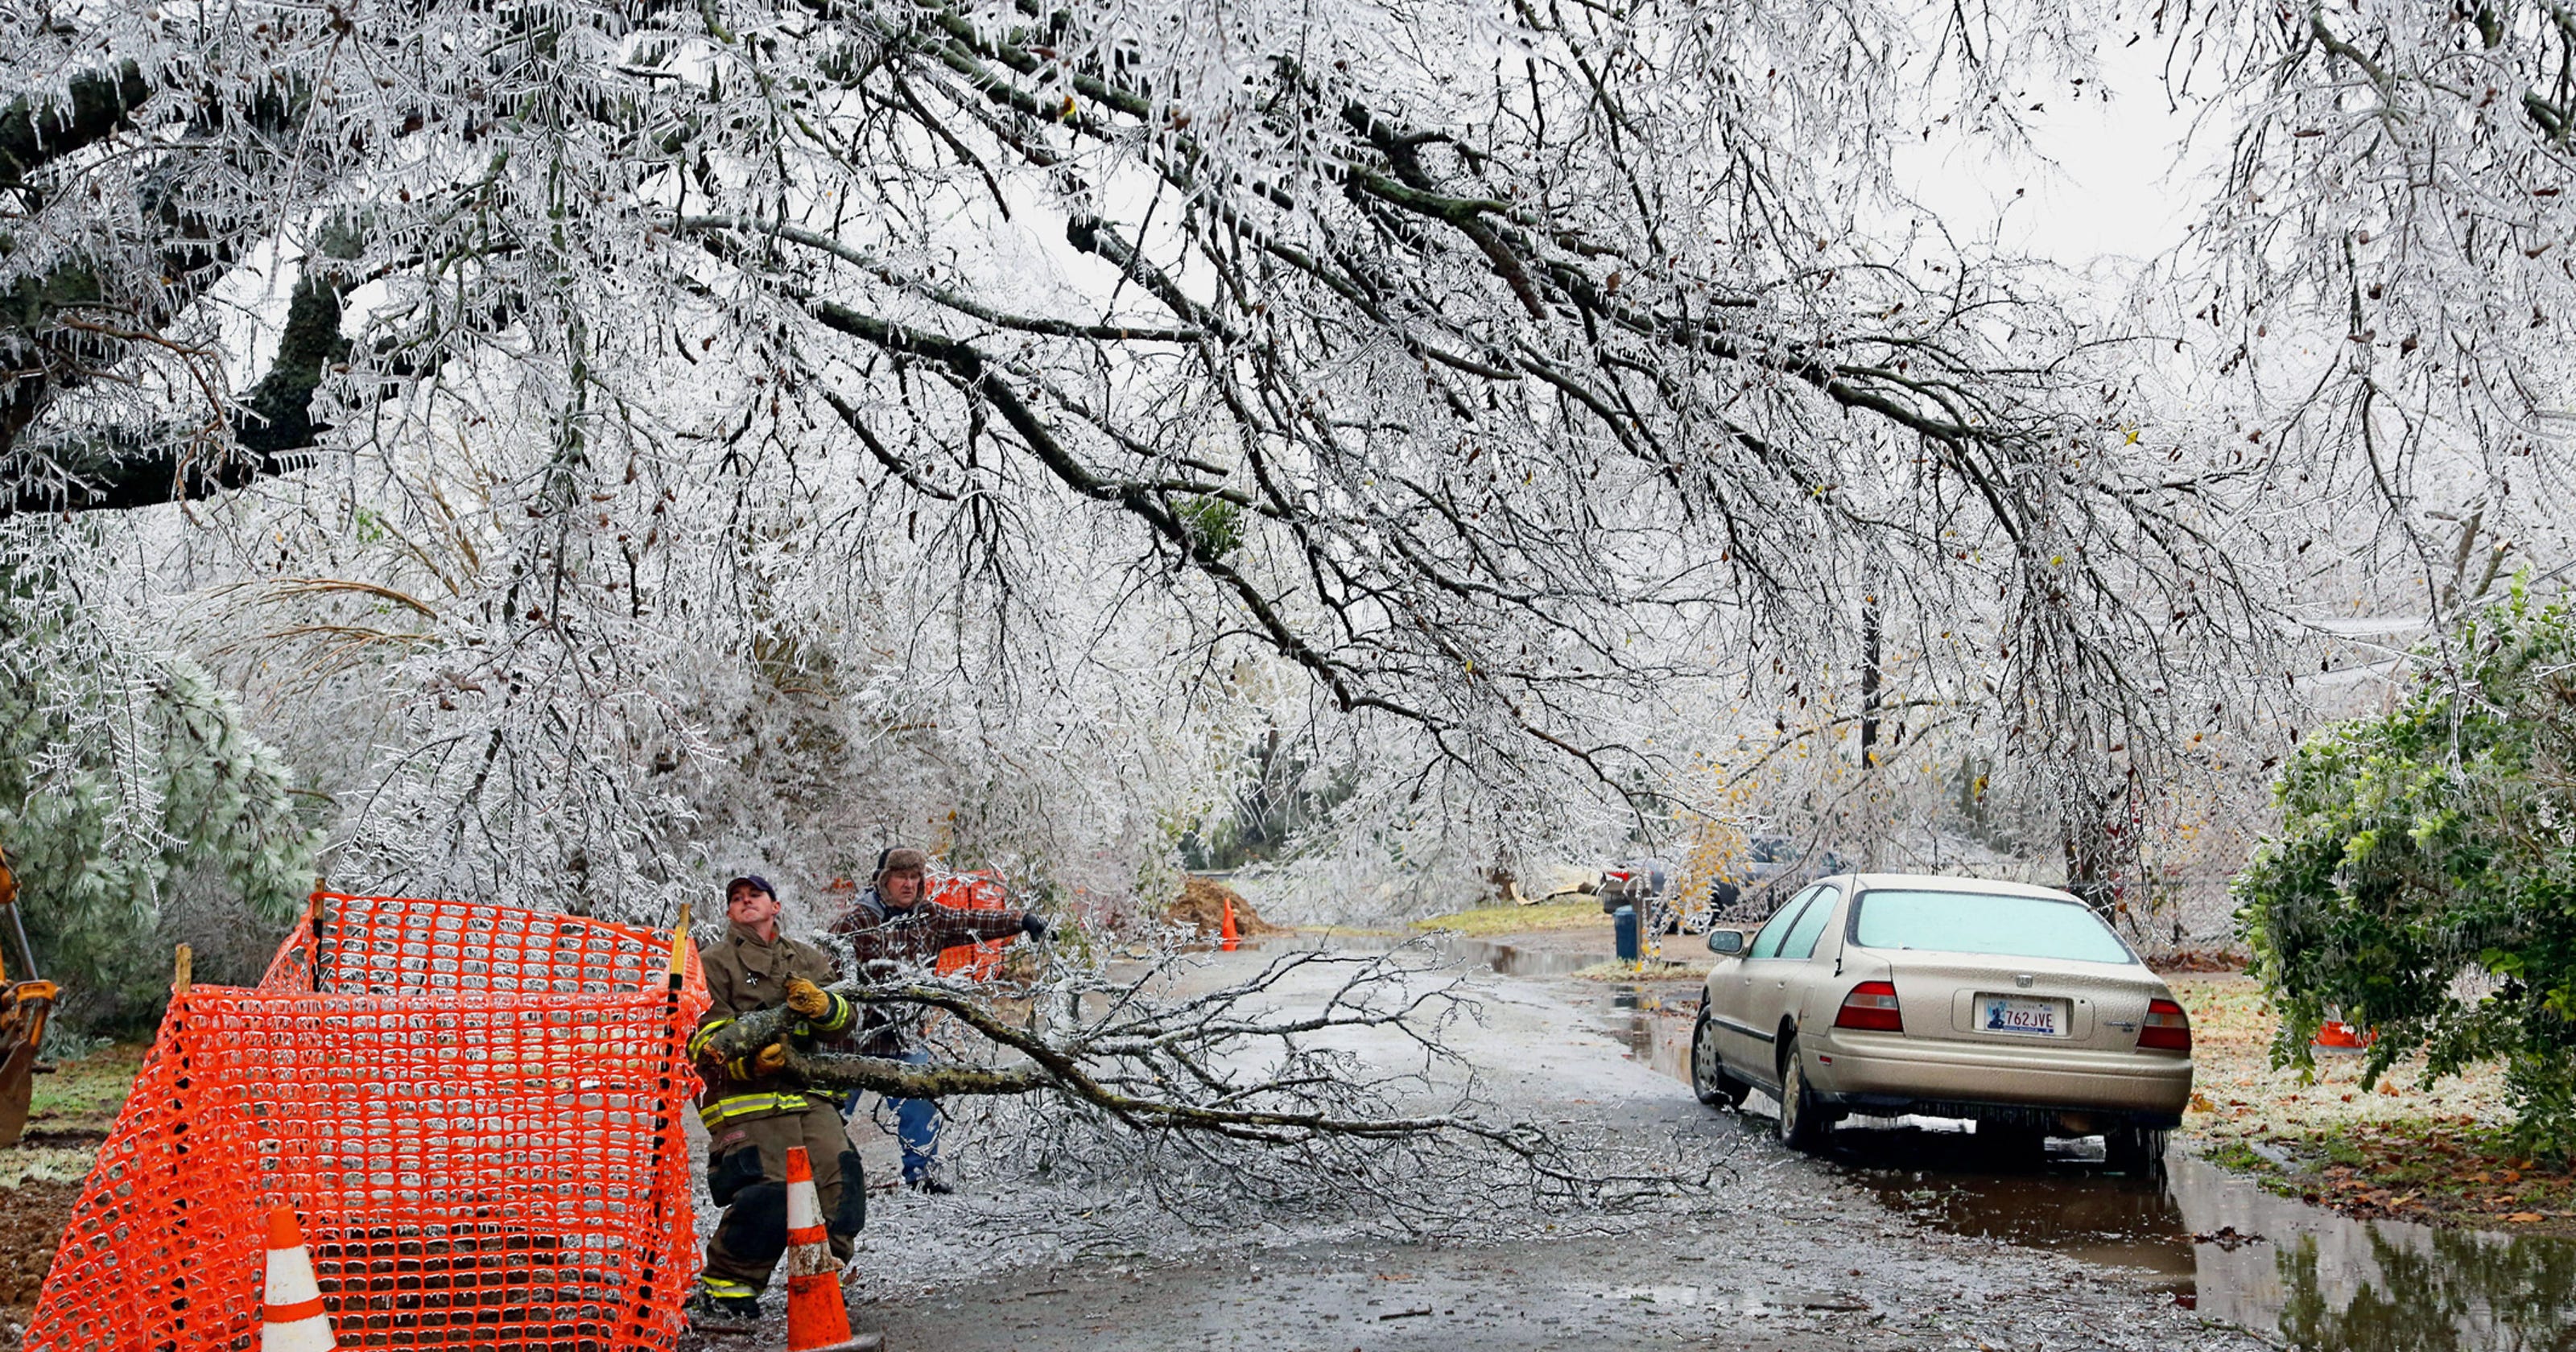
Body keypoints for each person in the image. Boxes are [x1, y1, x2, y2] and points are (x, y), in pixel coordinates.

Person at [685, 875, 869, 1333]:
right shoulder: (711, 963)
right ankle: (728, 1287)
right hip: (744, 1100)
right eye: (736, 899)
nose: (745, 902)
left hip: (808, 1094)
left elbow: (847, 1020)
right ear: (729, 913)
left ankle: (821, 1277)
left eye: (754, 896)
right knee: (767, 1194)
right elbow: (703, 1043)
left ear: (776, 905)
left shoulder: (806, 959)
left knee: (841, 1182)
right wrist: (754, 1064)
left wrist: (825, 1007)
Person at [830, 847, 1046, 1193]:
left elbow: (972, 921)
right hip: (851, 1039)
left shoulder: (928, 917)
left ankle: (921, 1176)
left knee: (922, 1098)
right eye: (902, 876)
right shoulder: (854, 923)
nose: (909, 884)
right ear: (883, 880)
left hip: (904, 1040)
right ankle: (820, 1177)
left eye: (916, 877)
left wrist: (1020, 921)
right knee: (828, 1112)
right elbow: (829, 979)